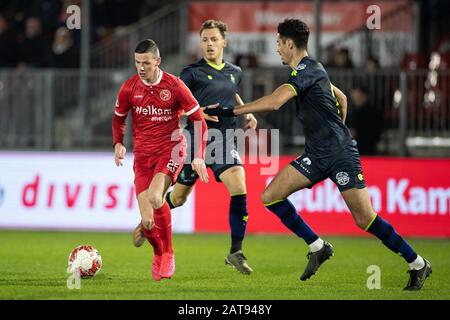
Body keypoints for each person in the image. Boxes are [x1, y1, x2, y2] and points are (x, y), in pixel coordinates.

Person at [205, 19, 431, 291]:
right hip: (317, 154)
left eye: (278, 43)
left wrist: (229, 111)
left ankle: (418, 263)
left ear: (289, 43)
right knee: (270, 196)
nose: (277, 48)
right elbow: (343, 98)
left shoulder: (307, 69)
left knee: (364, 219)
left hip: (339, 155)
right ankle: (318, 246)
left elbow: (275, 102)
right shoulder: (316, 70)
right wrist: (335, 131)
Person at [133, 20, 257, 275]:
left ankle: (235, 251)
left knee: (239, 185)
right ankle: (147, 221)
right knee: (177, 197)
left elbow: (230, 91)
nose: (209, 44)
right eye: (204, 40)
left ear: (224, 41)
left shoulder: (235, 71)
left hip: (224, 141)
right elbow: (171, 98)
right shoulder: (191, 73)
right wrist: (198, 111)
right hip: (195, 140)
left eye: (213, 39)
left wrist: (246, 112)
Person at [112, 39, 209, 281]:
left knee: (156, 196)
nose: (141, 67)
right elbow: (118, 118)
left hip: (171, 149)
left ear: (158, 61)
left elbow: (199, 120)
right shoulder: (128, 88)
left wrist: (199, 156)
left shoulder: (175, 86)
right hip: (143, 156)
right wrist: (118, 143)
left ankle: (169, 253)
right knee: (146, 222)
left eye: (146, 62)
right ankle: (158, 253)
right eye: (137, 62)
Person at [348, 86, 383, 155]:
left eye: (358, 96)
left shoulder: (372, 112)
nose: (356, 99)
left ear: (365, 96)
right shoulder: (353, 111)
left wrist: (355, 133)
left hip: (366, 147)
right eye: (354, 96)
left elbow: (373, 132)